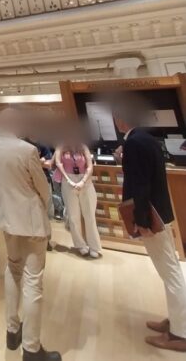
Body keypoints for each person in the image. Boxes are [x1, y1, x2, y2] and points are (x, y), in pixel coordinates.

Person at [0, 111, 61, 361]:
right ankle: (31, 347)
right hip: (31, 221)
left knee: (13, 269)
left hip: (7, 219)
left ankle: (12, 329)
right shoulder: (27, 150)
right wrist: (45, 208)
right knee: (33, 281)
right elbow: (43, 188)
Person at [114, 102, 186, 352]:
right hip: (160, 212)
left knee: (170, 273)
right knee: (170, 270)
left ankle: (180, 333)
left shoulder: (134, 143)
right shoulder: (147, 139)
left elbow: (140, 185)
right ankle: (177, 320)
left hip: (152, 216)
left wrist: (142, 221)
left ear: (120, 119)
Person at [54, 143, 102, 259]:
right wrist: (68, 179)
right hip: (68, 182)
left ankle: (94, 246)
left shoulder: (83, 146)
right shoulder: (61, 146)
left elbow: (90, 167)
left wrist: (83, 181)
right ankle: (80, 245)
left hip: (85, 181)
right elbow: (58, 163)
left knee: (89, 215)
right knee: (73, 216)